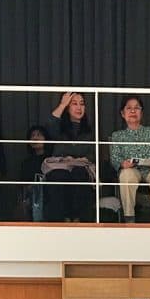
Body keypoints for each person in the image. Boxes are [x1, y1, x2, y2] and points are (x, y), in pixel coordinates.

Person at [109, 95, 150, 223]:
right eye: (129, 108)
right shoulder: (117, 136)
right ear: (122, 113)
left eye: (137, 108)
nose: (133, 111)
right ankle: (129, 219)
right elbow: (114, 157)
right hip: (131, 170)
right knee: (126, 175)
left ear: (141, 113)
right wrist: (122, 163)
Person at [43, 91, 97, 222]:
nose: (79, 107)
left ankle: (78, 220)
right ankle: (61, 221)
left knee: (79, 174)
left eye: (82, 104)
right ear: (67, 107)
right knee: (59, 176)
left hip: (81, 167)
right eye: (74, 104)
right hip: (60, 166)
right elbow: (49, 125)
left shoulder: (90, 131)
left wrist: (78, 160)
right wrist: (62, 104)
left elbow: (94, 154)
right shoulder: (59, 128)